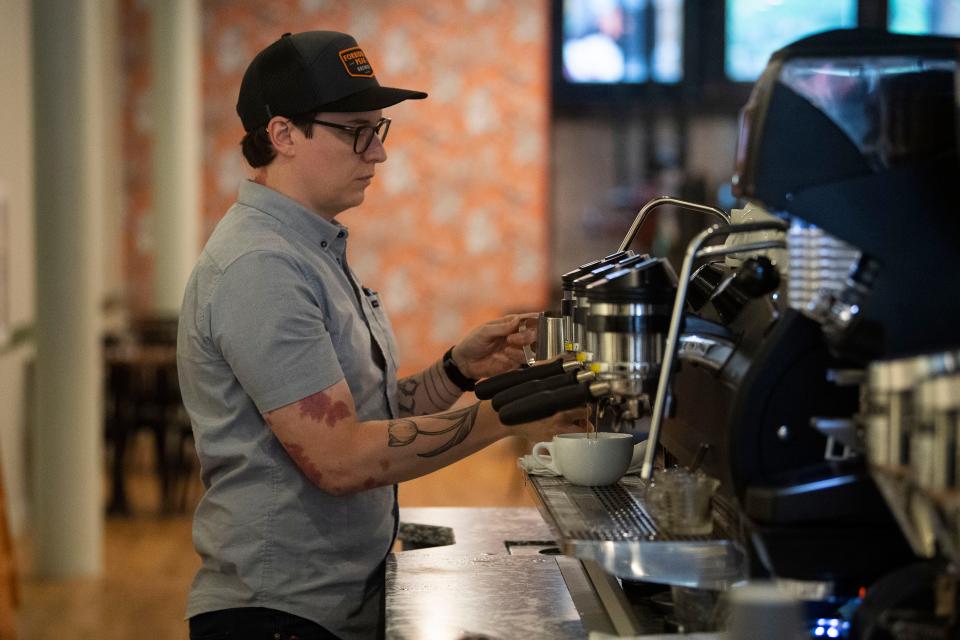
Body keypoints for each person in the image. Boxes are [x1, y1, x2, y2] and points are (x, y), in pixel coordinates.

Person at [177, 30, 587, 640]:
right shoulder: (260, 266)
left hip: (329, 601)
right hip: (280, 616)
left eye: (380, 131)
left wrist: (455, 372)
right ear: (284, 134)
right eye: (356, 132)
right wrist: (510, 414)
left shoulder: (309, 248)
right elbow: (339, 459)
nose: (378, 154)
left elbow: (362, 414)